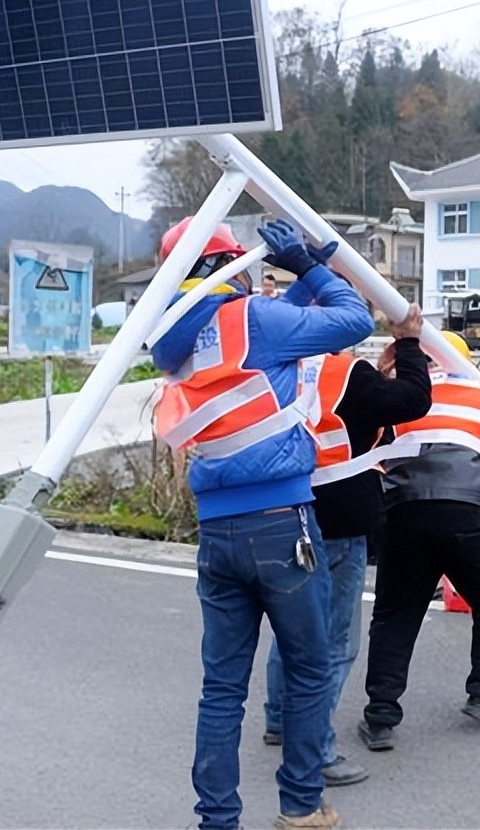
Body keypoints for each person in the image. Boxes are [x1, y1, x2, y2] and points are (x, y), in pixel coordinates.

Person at [151, 216, 373, 830]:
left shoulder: (175, 339)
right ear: (232, 263)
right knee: (307, 666)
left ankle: (216, 820)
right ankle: (301, 806)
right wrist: (308, 267)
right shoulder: (256, 320)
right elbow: (355, 321)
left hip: (217, 533)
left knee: (222, 687)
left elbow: (268, 332)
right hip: (281, 524)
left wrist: (309, 272)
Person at [263, 301, 433, 787]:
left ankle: (279, 719)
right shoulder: (346, 372)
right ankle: (313, 746)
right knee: (334, 640)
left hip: (280, 511)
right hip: (339, 520)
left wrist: (378, 377)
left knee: (291, 627)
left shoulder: (273, 366)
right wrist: (408, 343)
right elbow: (413, 401)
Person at [360, 330, 480, 751]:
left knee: (396, 613)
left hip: (402, 511)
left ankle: (381, 717)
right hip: (467, 512)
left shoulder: (399, 395)